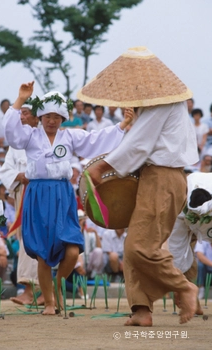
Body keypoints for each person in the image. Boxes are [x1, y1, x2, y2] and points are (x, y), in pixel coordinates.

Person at [81, 46, 199, 325]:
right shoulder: (156, 105)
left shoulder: (161, 103)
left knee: (138, 247)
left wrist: (102, 166)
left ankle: (184, 286)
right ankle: (141, 310)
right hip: (155, 177)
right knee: (137, 245)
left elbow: (140, 144)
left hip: (162, 178)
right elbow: (140, 143)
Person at [3, 81, 133, 315]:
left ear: (63, 118)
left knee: (72, 250)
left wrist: (122, 125)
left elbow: (95, 140)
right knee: (42, 254)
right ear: (40, 117)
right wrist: (21, 99)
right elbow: (11, 134)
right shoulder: (30, 136)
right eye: (47, 116)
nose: (52, 121)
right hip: (38, 194)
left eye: (56, 116)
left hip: (63, 194)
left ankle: (56, 285)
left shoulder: (70, 136)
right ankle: (50, 302)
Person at [0, 104, 44, 305]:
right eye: (21, 113)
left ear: (36, 117)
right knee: (26, 240)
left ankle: (40, 290)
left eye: (26, 113)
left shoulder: (46, 137)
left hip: (43, 193)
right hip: (23, 195)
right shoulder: (15, 143)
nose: (22, 117)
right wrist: (19, 175)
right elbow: (5, 170)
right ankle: (31, 289)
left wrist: (33, 175)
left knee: (42, 239)